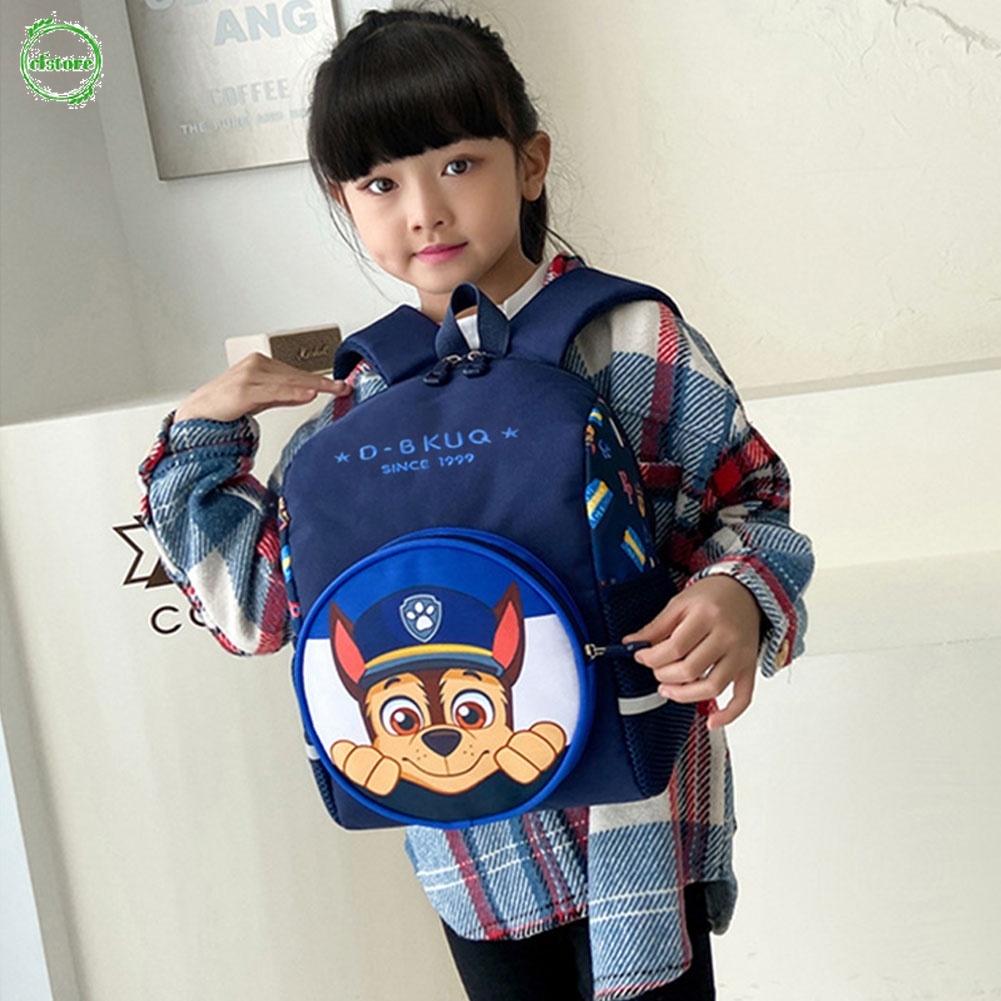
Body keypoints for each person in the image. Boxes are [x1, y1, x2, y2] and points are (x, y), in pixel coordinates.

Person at [139, 8, 814, 1000]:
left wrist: (737, 596)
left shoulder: (630, 337)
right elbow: (262, 610)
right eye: (380, 183)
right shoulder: (358, 398)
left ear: (529, 163)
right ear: (343, 201)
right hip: (471, 841)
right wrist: (199, 437)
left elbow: (750, 502)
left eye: (458, 164)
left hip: (640, 822)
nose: (424, 210)